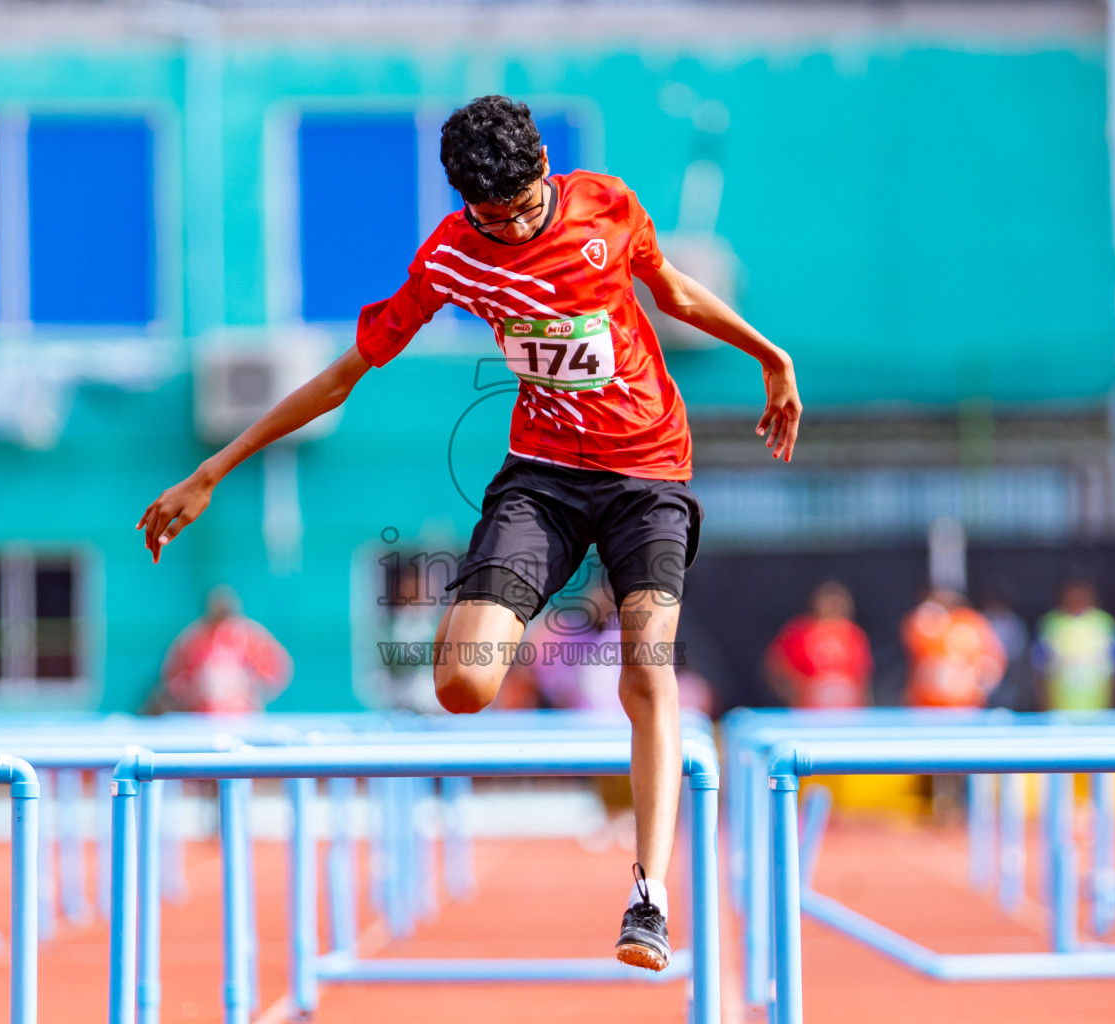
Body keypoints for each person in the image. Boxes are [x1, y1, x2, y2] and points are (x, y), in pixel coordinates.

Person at [138, 95, 801, 972]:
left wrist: (770, 354)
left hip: (647, 468)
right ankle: (526, 622)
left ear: (544, 172)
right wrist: (212, 470)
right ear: (465, 205)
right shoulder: (452, 257)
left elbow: (671, 289)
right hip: (544, 479)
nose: (517, 228)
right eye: (496, 218)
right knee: (460, 685)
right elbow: (342, 377)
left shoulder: (604, 204)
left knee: (647, 664)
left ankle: (649, 895)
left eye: (527, 207)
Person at [152, 585, 292, 714]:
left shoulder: (252, 637)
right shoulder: (194, 639)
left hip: (243, 716)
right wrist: (193, 693)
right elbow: (172, 675)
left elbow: (277, 668)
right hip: (203, 717)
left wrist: (254, 689)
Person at [762, 581, 873, 709]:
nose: (833, 605)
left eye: (838, 601)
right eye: (828, 601)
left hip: (847, 711)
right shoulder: (800, 632)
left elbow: (864, 676)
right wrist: (791, 696)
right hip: (809, 711)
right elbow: (775, 667)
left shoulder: (854, 634)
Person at [900, 588, 1006, 708]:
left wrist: (973, 684)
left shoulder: (972, 624)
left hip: (967, 708)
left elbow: (992, 666)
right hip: (925, 708)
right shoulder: (925, 625)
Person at [1033, 579, 1115, 713]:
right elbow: (1039, 670)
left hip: (1099, 710)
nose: (1077, 600)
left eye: (1082, 595)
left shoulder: (1105, 623)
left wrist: (1113, 705)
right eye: (1072, 596)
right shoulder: (1051, 624)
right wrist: (1043, 708)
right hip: (1059, 711)